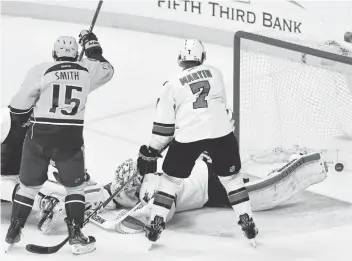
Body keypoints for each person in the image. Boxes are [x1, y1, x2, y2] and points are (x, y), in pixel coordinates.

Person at [1, 149, 328, 235]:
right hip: (202, 177)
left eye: (127, 189)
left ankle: (309, 163)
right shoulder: (126, 187)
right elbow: (100, 194)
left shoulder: (154, 187)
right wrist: (60, 202)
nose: (121, 192)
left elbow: (162, 212)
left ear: (138, 183)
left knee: (268, 193)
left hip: (211, 181)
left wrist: (139, 217)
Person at [136, 39, 257, 244]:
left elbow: (163, 130)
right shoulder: (216, 73)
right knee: (231, 180)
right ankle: (247, 220)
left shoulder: (171, 86)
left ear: (180, 60)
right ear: (203, 57)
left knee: (170, 182)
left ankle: (157, 222)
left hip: (188, 137)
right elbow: (220, 107)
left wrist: (151, 150)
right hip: (222, 133)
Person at [3, 30, 114, 255]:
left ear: (54, 54)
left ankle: (14, 229)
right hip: (69, 137)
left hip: (39, 135)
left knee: (28, 187)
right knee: (75, 188)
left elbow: (18, 107)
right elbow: (107, 69)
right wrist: (91, 46)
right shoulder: (86, 70)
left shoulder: (40, 70)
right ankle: (75, 235)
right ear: (76, 54)